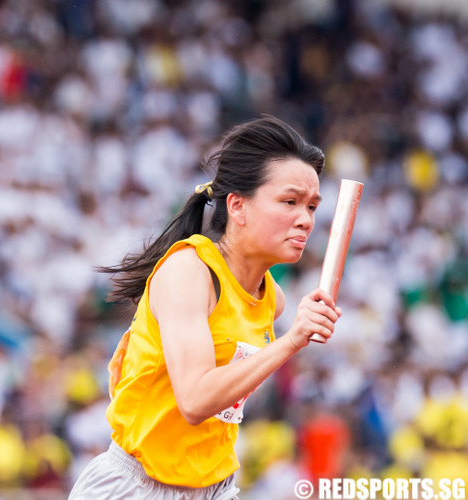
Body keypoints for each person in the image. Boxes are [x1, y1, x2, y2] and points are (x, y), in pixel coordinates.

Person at [68, 115, 342, 499]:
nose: (305, 220)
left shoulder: (271, 298)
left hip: (214, 487)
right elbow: (195, 400)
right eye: (290, 202)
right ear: (238, 206)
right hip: (138, 487)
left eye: (312, 207)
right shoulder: (189, 271)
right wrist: (292, 341)